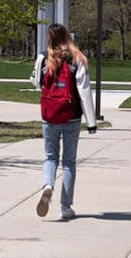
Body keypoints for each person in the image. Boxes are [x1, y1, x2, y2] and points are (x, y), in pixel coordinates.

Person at [33, 23, 96, 220]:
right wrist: (92, 122)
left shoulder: (44, 57)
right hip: (72, 116)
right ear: (68, 36)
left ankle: (48, 185)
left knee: (50, 157)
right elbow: (84, 92)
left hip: (50, 115)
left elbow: (35, 82)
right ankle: (65, 206)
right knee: (69, 162)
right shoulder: (77, 59)